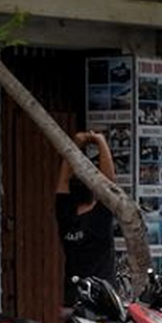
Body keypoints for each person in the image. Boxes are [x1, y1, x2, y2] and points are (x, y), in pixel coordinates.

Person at [55, 131, 117, 308]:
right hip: (102, 296)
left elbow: (63, 181)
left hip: (73, 297)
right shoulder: (100, 217)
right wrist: (100, 141)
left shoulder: (65, 215)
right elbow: (109, 183)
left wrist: (75, 143)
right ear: (93, 191)